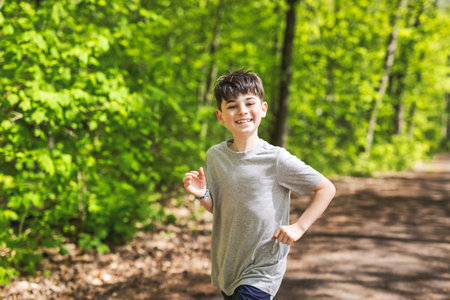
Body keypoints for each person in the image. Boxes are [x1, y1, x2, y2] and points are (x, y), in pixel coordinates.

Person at [183, 69, 336, 299]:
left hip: (263, 269)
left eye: (249, 103)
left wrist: (299, 227)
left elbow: (326, 188)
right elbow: (219, 208)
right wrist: (202, 193)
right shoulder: (215, 156)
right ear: (220, 116)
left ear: (263, 109)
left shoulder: (276, 159)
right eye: (232, 105)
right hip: (229, 265)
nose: (242, 111)